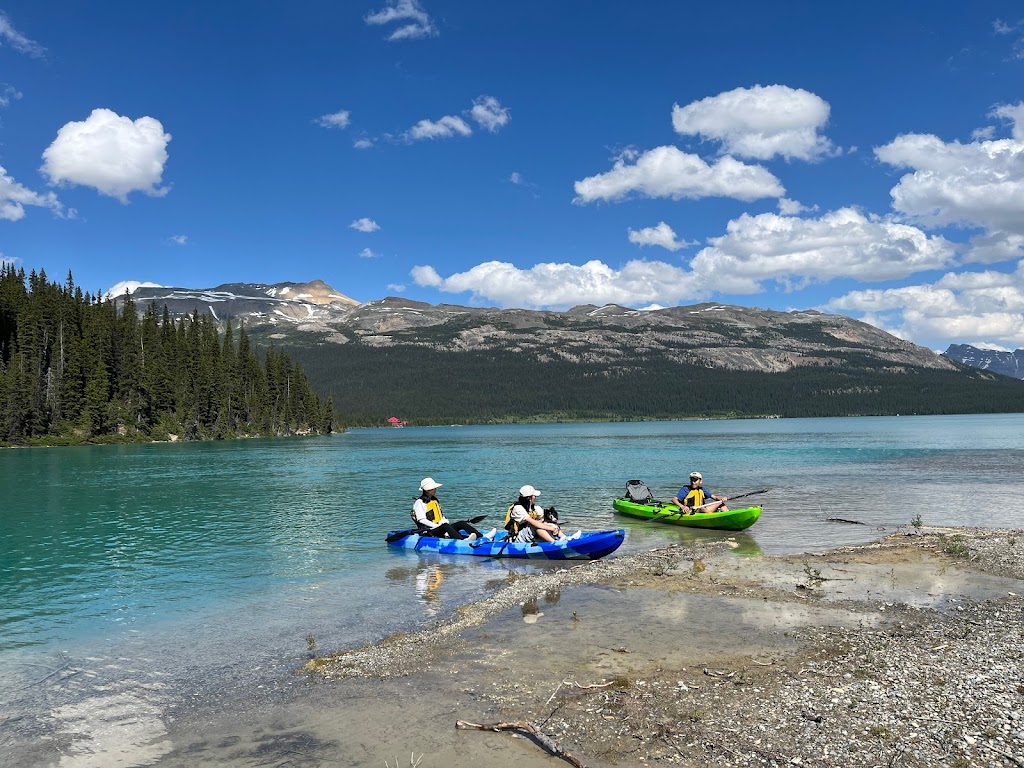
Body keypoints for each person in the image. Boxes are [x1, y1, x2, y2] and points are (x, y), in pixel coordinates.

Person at [411, 478, 483, 540]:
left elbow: (440, 516)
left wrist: (444, 521)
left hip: (441, 527)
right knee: (445, 526)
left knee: (462, 523)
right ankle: (462, 540)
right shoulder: (419, 502)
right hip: (429, 531)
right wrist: (438, 526)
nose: (435, 489)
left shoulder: (434, 501)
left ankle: (482, 537)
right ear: (427, 490)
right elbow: (421, 519)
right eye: (433, 488)